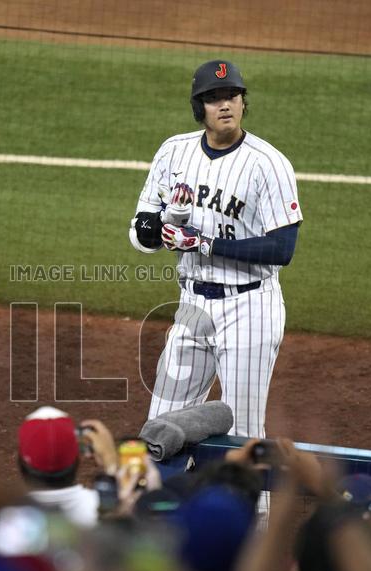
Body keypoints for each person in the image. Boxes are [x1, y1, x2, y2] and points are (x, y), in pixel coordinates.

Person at [130, 59, 303, 437]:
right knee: (161, 429)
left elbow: (282, 249)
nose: (225, 105)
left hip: (250, 308)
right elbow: (142, 228)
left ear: (243, 102)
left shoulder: (268, 164)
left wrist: (206, 243)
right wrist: (163, 228)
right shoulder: (173, 152)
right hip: (192, 306)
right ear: (199, 107)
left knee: (242, 434)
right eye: (214, 98)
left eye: (233, 96)